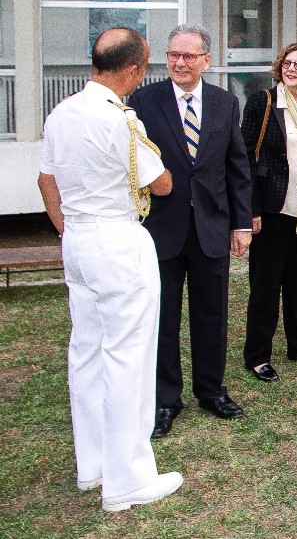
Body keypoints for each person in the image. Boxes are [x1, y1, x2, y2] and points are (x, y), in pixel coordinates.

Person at [37, 27, 183, 511]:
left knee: (87, 353)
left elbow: (46, 178)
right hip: (118, 240)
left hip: (78, 240)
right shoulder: (119, 120)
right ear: (133, 70)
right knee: (128, 358)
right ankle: (128, 480)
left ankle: (94, 464)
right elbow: (160, 184)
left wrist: (69, 228)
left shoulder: (61, 113)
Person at [130, 24, 253, 438]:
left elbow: (237, 167)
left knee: (211, 313)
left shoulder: (223, 103)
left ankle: (211, 390)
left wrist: (241, 222)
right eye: (173, 55)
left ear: (206, 60)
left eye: (188, 56)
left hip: (211, 227)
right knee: (163, 317)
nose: (179, 63)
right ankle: (166, 399)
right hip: (161, 229)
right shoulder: (145, 101)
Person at [242, 43, 297, 382]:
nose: (292, 69)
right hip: (272, 208)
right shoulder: (264, 102)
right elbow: (245, 159)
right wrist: (250, 209)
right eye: (287, 63)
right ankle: (257, 355)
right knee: (265, 285)